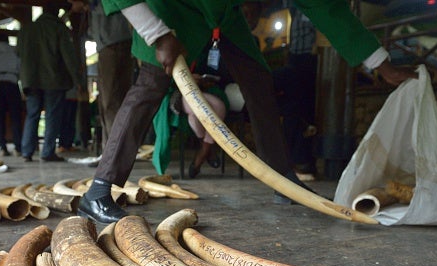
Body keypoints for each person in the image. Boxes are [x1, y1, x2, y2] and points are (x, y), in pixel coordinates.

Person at [77, 0, 417, 224]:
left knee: (259, 82)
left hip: (223, 14)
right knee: (151, 84)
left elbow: (324, 6)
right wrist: (156, 33)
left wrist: (380, 64)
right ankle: (98, 191)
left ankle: (283, 182)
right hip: (171, 9)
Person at [17, 1, 82, 162]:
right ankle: (47, 152)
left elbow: (18, 52)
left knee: (32, 114)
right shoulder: (58, 28)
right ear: (56, 12)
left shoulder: (27, 29)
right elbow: (69, 57)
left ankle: (27, 152)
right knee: (52, 116)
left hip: (31, 80)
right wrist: (78, 80)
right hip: (54, 80)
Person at [272, 0, 319, 180]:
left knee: (303, 111)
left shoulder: (316, 7)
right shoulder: (293, 7)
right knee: (294, 110)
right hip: (295, 58)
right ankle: (294, 162)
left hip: (310, 59)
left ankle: (303, 163)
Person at [88, 0, 134, 149]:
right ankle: (113, 147)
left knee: (110, 101)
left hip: (112, 44)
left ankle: (113, 148)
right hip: (117, 43)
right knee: (116, 99)